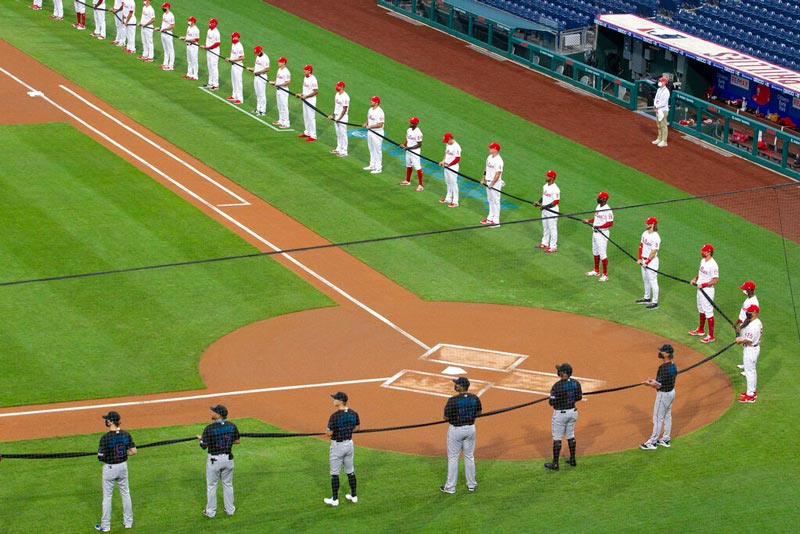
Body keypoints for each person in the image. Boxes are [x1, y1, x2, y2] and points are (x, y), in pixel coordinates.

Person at [94, 411, 137, 532]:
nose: (106, 421)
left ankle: (106, 526)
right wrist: (123, 454)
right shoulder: (126, 434)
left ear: (111, 421)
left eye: (108, 419)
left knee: (107, 497)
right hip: (123, 466)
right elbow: (134, 451)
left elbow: (100, 457)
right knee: (125, 493)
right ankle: (128, 522)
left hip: (110, 468)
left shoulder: (105, 438)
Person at [440, 377, 482, 493]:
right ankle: (471, 484)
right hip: (471, 429)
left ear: (462, 387)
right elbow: (478, 413)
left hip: (456, 430)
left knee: (453, 458)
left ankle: (450, 487)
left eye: (457, 384)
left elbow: (445, 417)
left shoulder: (452, 400)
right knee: (469, 456)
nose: (456, 386)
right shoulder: (475, 398)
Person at [198, 405, 240, 518]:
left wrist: (201, 439)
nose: (212, 413)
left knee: (212, 486)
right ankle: (230, 510)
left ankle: (210, 512)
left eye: (214, 412)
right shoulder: (232, 426)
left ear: (218, 415)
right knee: (228, 484)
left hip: (214, 461)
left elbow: (203, 446)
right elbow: (237, 441)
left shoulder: (209, 429)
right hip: (228, 459)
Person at [324, 392, 360, 506]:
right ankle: (354, 496)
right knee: (350, 471)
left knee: (335, 474)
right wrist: (347, 431)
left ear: (340, 401)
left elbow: (329, 433)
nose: (333, 400)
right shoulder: (354, 413)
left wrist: (327, 433)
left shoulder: (335, 416)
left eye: (335, 399)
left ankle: (334, 499)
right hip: (349, 444)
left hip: (337, 447)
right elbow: (357, 428)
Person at [639, 344, 677, 450]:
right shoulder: (673, 365)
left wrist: (649, 384)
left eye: (662, 351)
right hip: (671, 393)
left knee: (657, 418)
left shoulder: (663, 368)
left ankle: (652, 442)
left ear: (667, 354)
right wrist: (655, 382)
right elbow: (664, 381)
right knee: (667, 417)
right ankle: (665, 439)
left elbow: (658, 386)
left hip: (663, 395)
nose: (660, 353)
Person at [545, 363, 582, 470]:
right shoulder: (576, 383)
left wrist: (558, 400)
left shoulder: (557, 386)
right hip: (573, 412)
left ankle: (555, 464)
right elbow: (579, 397)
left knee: (557, 438)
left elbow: (551, 402)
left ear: (563, 373)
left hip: (560, 414)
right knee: (570, 435)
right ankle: (573, 460)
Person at [688, 243, 719, 344]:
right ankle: (700, 330)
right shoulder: (703, 261)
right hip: (700, 289)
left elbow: (715, 280)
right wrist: (695, 279)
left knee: (708, 312)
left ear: (709, 252)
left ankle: (711, 336)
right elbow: (701, 274)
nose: (702, 252)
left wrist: (704, 284)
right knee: (701, 309)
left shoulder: (713, 265)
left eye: (704, 251)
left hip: (707, 291)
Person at [582, 191, 614, 281]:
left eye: (599, 197)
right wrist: (588, 220)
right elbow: (596, 218)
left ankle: (605, 275)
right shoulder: (598, 207)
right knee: (595, 252)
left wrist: (599, 227)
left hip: (602, 234)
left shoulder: (608, 210)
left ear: (604, 199)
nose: (598, 198)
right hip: (595, 232)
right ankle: (596, 271)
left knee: (602, 253)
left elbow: (610, 223)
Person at [735, 304, 762, 403]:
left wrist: (740, 340)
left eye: (749, 312)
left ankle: (750, 396)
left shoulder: (754, 325)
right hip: (753, 349)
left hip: (751, 350)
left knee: (749, 372)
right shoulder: (757, 322)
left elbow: (749, 341)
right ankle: (752, 392)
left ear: (754, 313)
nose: (747, 313)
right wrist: (741, 339)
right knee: (752, 371)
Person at [734, 280, 759, 374]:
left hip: (748, 326)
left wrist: (741, 327)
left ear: (749, 290)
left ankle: (748, 368)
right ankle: (745, 364)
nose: (743, 291)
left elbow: (749, 317)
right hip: (744, 325)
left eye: (745, 289)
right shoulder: (748, 299)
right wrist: (737, 323)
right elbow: (742, 314)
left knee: (748, 344)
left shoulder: (753, 302)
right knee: (745, 346)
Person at [636, 217, 661, 309]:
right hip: (644, 260)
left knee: (653, 281)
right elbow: (641, 246)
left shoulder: (656, 237)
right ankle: (646, 298)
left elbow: (654, 251)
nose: (646, 224)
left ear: (652, 225)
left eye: (648, 223)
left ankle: (655, 302)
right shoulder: (644, 233)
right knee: (645, 279)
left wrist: (647, 261)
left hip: (652, 262)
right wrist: (639, 258)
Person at [533, 169, 560, 252]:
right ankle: (544, 243)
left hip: (552, 211)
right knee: (545, 227)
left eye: (548, 176)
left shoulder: (555, 189)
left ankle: (553, 247)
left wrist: (545, 207)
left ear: (552, 178)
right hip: (545, 210)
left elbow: (556, 201)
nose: (546, 177)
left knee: (552, 228)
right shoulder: (545, 186)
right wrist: (539, 202)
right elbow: (544, 196)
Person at [480, 142, 504, 227]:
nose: (489, 149)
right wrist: (483, 178)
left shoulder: (499, 160)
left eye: (491, 148)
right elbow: (486, 168)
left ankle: (496, 221)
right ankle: (490, 218)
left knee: (496, 201)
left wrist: (492, 184)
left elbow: (498, 174)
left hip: (495, 183)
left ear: (495, 149)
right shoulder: (489, 157)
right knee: (490, 200)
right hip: (488, 181)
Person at [399, 117, 424, 191]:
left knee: (418, 167)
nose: (410, 123)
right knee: (408, 165)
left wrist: (409, 148)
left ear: (416, 124)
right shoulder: (409, 130)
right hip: (408, 150)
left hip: (415, 152)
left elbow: (419, 144)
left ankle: (420, 185)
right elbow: (408, 140)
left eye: (412, 123)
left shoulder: (418, 132)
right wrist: (404, 145)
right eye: (410, 122)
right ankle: (407, 181)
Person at [297, 64, 319, 142]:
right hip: (305, 99)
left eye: (305, 69)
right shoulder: (305, 78)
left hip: (311, 100)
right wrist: (301, 94)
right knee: (306, 116)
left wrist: (306, 96)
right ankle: (307, 132)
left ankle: (313, 135)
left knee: (311, 117)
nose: (304, 70)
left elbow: (316, 91)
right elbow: (305, 90)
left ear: (309, 71)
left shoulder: (313, 79)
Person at [363, 96, 385, 174]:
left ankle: (378, 168)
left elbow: (380, 124)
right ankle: (372, 165)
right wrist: (366, 123)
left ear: (376, 103)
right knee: (371, 149)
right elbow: (369, 119)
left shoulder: (380, 112)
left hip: (377, 133)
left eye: (372, 101)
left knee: (377, 150)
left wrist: (370, 126)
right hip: (370, 132)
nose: (371, 102)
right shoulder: (370, 110)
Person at [438, 132, 461, 207]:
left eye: (447, 140)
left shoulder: (457, 147)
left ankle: (455, 201)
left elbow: (457, 159)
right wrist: (443, 161)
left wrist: (449, 164)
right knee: (448, 182)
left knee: (453, 183)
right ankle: (448, 198)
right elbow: (446, 154)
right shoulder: (448, 144)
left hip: (453, 167)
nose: (446, 142)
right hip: (446, 166)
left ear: (450, 139)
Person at [328, 81, 350, 157]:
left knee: (343, 134)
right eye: (336, 85)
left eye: (338, 86)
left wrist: (339, 118)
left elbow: (344, 109)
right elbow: (335, 106)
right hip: (337, 116)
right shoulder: (337, 94)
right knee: (338, 133)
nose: (336, 87)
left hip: (343, 117)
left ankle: (344, 151)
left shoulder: (346, 97)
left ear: (342, 87)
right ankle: (338, 148)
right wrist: (332, 114)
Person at [248, 45, 270, 116]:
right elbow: (257, 67)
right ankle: (258, 108)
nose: (257, 54)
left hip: (262, 77)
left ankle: (262, 110)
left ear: (261, 51)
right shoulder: (258, 56)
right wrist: (252, 69)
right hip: (256, 77)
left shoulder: (265, 58)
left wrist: (258, 72)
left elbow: (267, 69)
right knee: (257, 94)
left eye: (257, 52)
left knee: (262, 94)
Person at [269, 57, 291, 128]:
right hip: (278, 90)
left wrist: (278, 85)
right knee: (279, 106)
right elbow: (278, 81)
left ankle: (286, 123)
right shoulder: (279, 70)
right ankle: (281, 120)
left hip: (284, 91)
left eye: (280, 62)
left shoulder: (286, 72)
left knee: (284, 106)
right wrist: (274, 82)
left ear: (283, 63)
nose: (278, 63)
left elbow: (287, 82)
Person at [201, 18, 221, 90]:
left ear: (215, 24)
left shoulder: (216, 32)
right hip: (209, 51)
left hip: (214, 52)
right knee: (209, 66)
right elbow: (208, 40)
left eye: (211, 23)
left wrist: (209, 47)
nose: (209, 24)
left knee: (214, 67)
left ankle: (216, 84)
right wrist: (204, 45)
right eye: (209, 23)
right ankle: (210, 82)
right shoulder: (209, 30)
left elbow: (217, 43)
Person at [225, 32, 245, 104]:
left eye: (232, 37)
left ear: (236, 37)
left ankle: (240, 99)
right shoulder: (233, 44)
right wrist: (230, 59)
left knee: (238, 82)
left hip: (238, 66)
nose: (231, 38)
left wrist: (232, 60)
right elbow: (233, 55)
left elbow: (242, 57)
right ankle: (234, 95)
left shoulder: (239, 46)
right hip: (233, 65)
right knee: (234, 81)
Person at [179, 16, 200, 81]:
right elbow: (188, 36)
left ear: (193, 22)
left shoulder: (196, 29)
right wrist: (184, 38)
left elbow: (197, 39)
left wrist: (188, 40)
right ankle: (189, 73)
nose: (188, 22)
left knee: (194, 61)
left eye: (189, 21)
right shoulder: (189, 27)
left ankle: (195, 76)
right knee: (189, 60)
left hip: (193, 46)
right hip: (188, 46)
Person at [156, 2, 175, 70]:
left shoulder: (171, 15)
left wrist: (165, 29)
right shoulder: (164, 14)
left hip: (168, 34)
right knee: (165, 50)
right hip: (163, 34)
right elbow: (163, 24)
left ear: (167, 7)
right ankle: (165, 63)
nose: (163, 8)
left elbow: (172, 26)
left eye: (164, 7)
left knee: (171, 50)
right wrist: (160, 28)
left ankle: (171, 66)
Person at [652, 76, 670, 148]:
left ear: (665, 82)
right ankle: (659, 138)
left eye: (662, 81)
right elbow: (656, 98)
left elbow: (663, 102)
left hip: (663, 111)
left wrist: (657, 107)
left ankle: (664, 141)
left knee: (663, 125)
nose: (660, 82)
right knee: (659, 125)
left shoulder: (666, 92)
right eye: (660, 80)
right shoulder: (659, 89)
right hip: (658, 110)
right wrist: (655, 105)